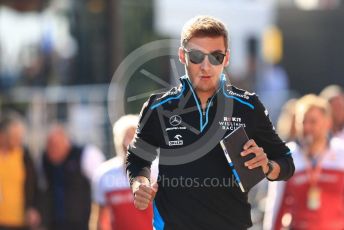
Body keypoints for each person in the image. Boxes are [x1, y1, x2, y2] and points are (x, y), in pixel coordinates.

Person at [126, 15, 294, 230]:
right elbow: (137, 158)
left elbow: (286, 162)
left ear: (226, 58)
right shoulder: (159, 107)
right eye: (197, 56)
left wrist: (268, 166)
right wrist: (140, 184)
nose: (206, 66)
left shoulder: (249, 106)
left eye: (216, 56)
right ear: (182, 56)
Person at [263, 94, 344, 230]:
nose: (307, 128)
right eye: (303, 122)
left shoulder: (341, 151)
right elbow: (275, 205)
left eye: (313, 122)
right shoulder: (286, 155)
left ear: (327, 123)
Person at [92, 115, 158, 230]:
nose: (130, 143)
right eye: (126, 136)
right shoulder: (104, 174)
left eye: (135, 136)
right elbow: (100, 220)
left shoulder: (157, 170)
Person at [39, 124, 105, 230]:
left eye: (56, 145)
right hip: (55, 224)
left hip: (83, 224)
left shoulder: (87, 155)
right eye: (49, 146)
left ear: (66, 142)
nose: (52, 150)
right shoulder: (44, 160)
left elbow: (102, 188)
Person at [0, 113, 40, 230]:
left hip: (20, 222)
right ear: (2, 135)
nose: (19, 139)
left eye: (20, 136)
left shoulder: (24, 156)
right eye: (15, 136)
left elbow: (34, 185)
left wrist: (33, 208)